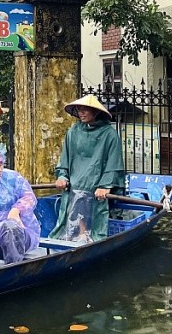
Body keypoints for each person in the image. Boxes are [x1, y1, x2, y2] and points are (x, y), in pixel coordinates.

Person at [50, 94, 126, 243]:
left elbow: (114, 163)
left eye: (85, 110)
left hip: (98, 182)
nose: (81, 113)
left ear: (96, 112)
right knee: (76, 189)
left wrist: (105, 185)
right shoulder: (73, 132)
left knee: (90, 191)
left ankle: (89, 234)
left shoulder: (110, 135)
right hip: (76, 181)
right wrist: (62, 175)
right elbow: (64, 157)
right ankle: (80, 232)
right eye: (79, 109)